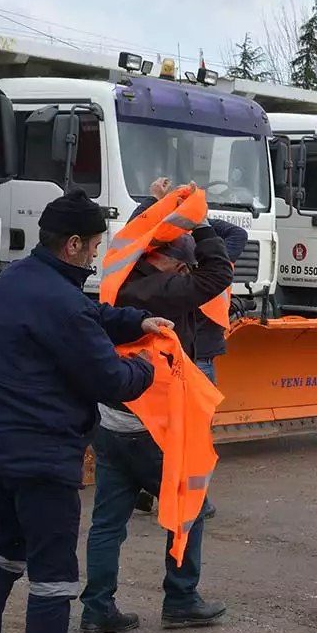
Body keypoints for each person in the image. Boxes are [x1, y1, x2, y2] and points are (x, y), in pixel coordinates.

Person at [0, 188, 166, 633]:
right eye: (93, 246)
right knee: (54, 578)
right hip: (42, 458)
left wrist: (136, 322)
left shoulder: (15, 279)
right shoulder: (63, 303)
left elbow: (89, 315)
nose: (95, 255)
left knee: (7, 551)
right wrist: (150, 367)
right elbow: (110, 379)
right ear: (72, 244)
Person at [78, 182, 235, 633]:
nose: (187, 268)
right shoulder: (162, 289)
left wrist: (163, 204)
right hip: (155, 424)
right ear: (162, 257)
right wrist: (200, 220)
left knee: (108, 521)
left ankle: (97, 610)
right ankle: (181, 599)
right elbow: (218, 274)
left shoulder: (119, 273)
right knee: (189, 507)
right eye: (181, 260)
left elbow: (140, 230)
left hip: (112, 419)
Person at [131, 177, 248, 518]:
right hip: (191, 350)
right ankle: (191, 497)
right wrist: (166, 206)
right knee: (189, 428)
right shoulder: (195, 270)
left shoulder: (201, 261)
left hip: (187, 348)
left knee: (167, 424)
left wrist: (182, 211)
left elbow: (233, 237)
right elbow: (136, 232)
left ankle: (151, 485)